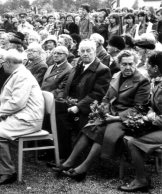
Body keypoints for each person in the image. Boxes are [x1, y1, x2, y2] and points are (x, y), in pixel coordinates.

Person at [54, 50, 150, 182]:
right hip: (110, 114)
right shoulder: (116, 75)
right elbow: (106, 97)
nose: (128, 67)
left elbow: (139, 108)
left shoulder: (142, 81)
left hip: (128, 119)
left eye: (131, 64)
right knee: (90, 127)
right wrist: (103, 110)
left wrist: (116, 118)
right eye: (124, 64)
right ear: (118, 64)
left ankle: (83, 168)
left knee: (103, 131)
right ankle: (70, 162)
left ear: (136, 63)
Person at [0, 50, 45, 186]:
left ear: (9, 63)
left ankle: (7, 172)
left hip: (28, 119)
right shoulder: (17, 73)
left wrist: (1, 112)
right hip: (19, 115)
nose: (2, 65)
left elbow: (17, 102)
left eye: (4, 62)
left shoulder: (22, 76)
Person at [54, 40, 111, 160]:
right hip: (72, 103)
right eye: (82, 51)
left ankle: (69, 157)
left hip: (88, 108)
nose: (85, 53)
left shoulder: (102, 70)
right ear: (79, 52)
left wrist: (78, 106)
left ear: (95, 52)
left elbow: (98, 94)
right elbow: (68, 87)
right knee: (52, 112)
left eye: (88, 51)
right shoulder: (78, 66)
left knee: (62, 118)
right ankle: (57, 153)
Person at [120, 52, 162, 192]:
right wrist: (150, 112)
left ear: (155, 67)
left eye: (147, 65)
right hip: (158, 125)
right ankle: (141, 177)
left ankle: (141, 180)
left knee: (131, 140)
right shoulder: (157, 81)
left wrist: (149, 119)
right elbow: (155, 106)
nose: (145, 67)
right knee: (129, 137)